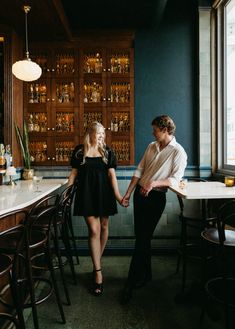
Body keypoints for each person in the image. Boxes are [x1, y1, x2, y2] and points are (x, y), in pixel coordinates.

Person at [120, 114, 187, 304]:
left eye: (155, 130)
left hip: (156, 198)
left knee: (142, 239)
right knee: (142, 237)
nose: (152, 132)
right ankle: (146, 275)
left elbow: (175, 179)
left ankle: (130, 283)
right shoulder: (152, 146)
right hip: (139, 196)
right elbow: (139, 170)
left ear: (165, 130)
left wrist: (154, 183)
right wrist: (127, 193)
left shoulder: (179, 152)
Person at [68, 121, 124, 296]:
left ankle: (95, 264)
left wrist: (118, 196)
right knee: (94, 229)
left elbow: (111, 176)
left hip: (104, 194)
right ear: (90, 133)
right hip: (86, 194)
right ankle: (98, 273)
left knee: (104, 227)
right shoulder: (79, 151)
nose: (101, 136)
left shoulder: (107, 151)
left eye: (103, 133)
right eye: (98, 133)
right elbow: (74, 174)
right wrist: (67, 194)